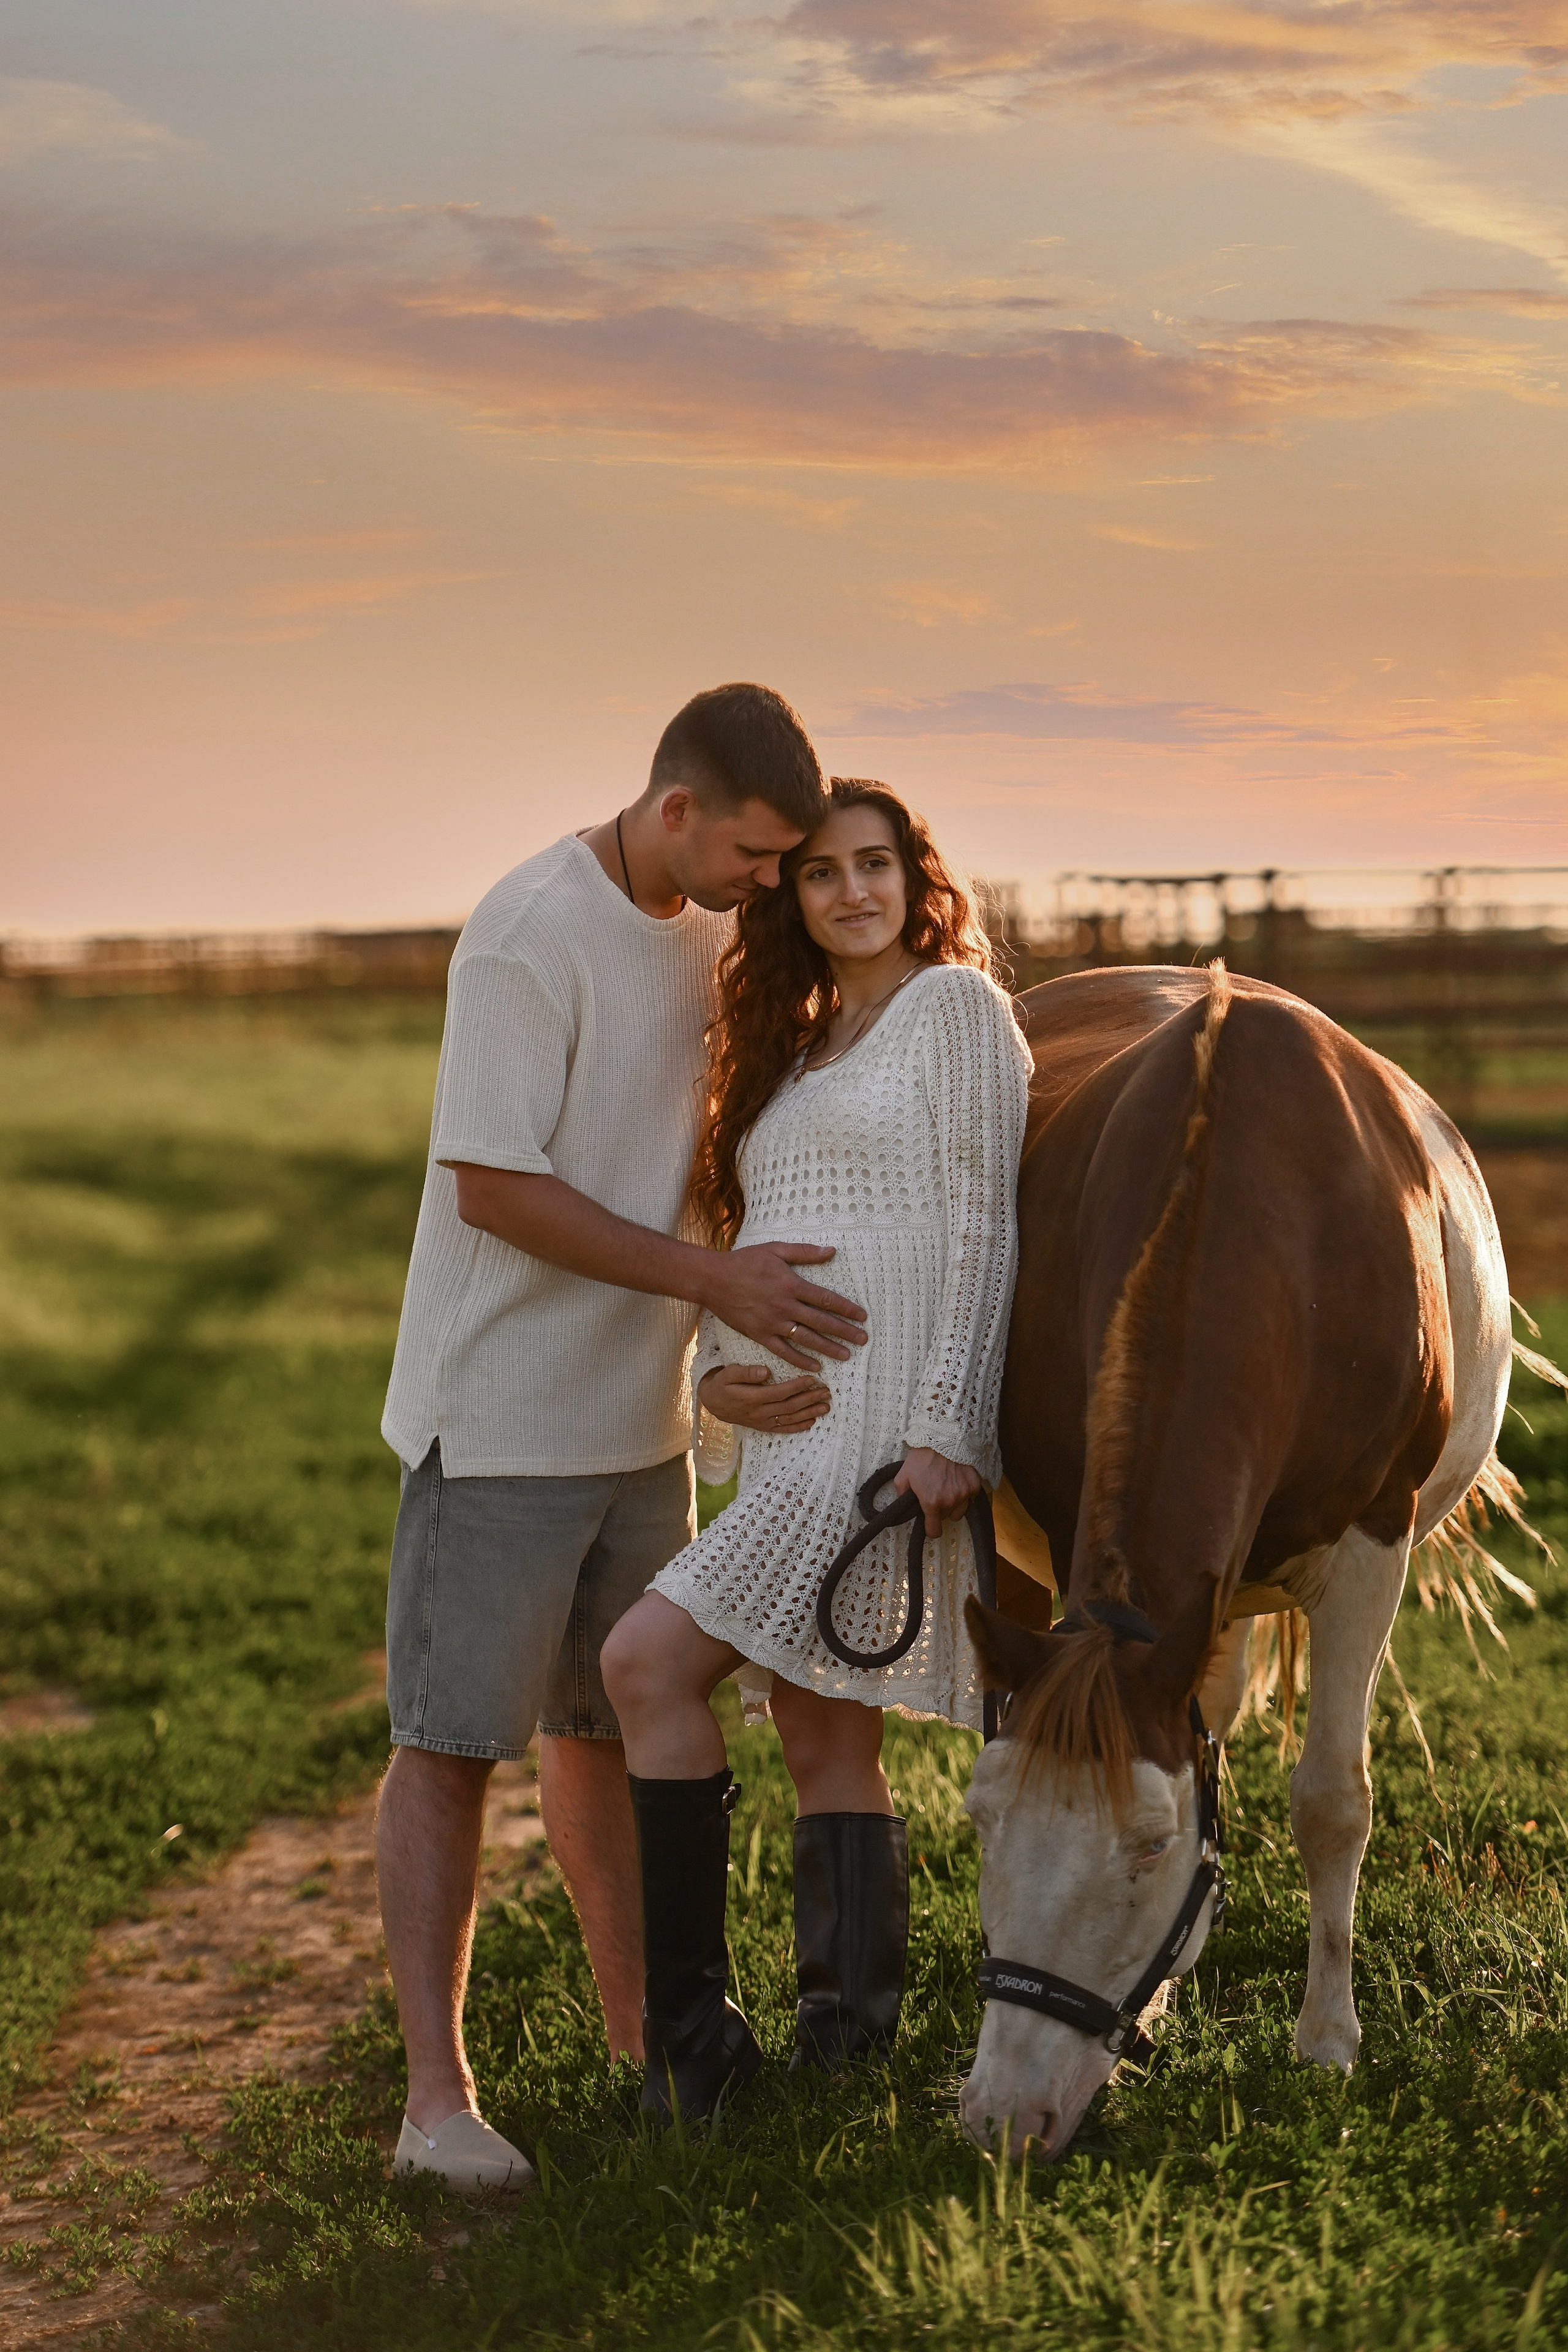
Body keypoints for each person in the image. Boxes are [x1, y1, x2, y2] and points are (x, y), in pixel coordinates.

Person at [378, 685, 873, 2192]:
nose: (763, 885)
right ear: (676, 813)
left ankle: (634, 2046)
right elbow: (495, 1190)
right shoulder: (527, 935)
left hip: (639, 1423)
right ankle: (433, 2109)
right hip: (502, 1418)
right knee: (453, 1747)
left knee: (603, 1733)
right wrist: (713, 1282)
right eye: (751, 854)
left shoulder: (716, 931)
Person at [601, 780, 1032, 2121]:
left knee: (641, 1662)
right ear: (788, 895)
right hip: (791, 1439)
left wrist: (948, 1431)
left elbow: (980, 1226)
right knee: (813, 1732)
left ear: (914, 878)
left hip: (881, 1443)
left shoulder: (954, 1012)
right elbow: (753, 1248)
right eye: (823, 872)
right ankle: (827, 2047)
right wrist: (720, 1383)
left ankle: (700, 2048)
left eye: (876, 865)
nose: (853, 891)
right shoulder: (796, 1048)